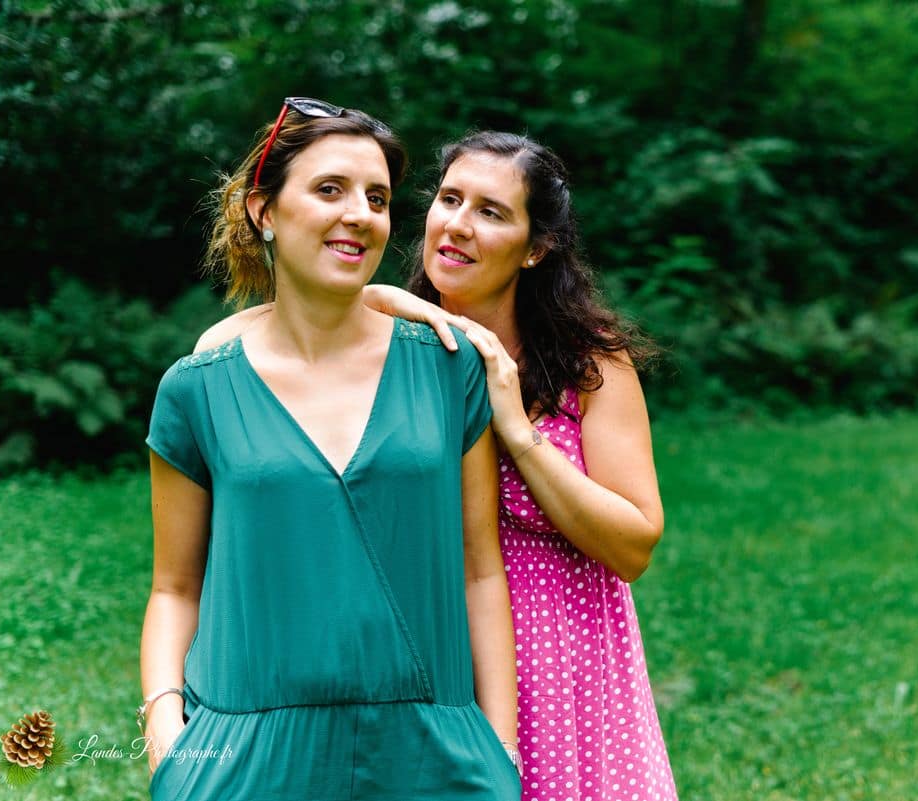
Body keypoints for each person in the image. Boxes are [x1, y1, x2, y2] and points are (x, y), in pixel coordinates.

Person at [197, 131, 679, 801]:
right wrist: (397, 303)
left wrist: (515, 426)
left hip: (562, 668)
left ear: (536, 247)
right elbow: (229, 342)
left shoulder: (590, 366)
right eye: (450, 198)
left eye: (491, 210)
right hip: (427, 663)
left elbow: (634, 544)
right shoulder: (395, 347)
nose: (458, 223)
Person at [139, 100, 521, 801]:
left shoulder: (445, 369)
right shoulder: (197, 391)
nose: (360, 213)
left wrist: (498, 748)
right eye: (329, 189)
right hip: (244, 764)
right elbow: (174, 587)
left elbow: (479, 569)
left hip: (432, 760)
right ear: (264, 211)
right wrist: (169, 736)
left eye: (376, 198)